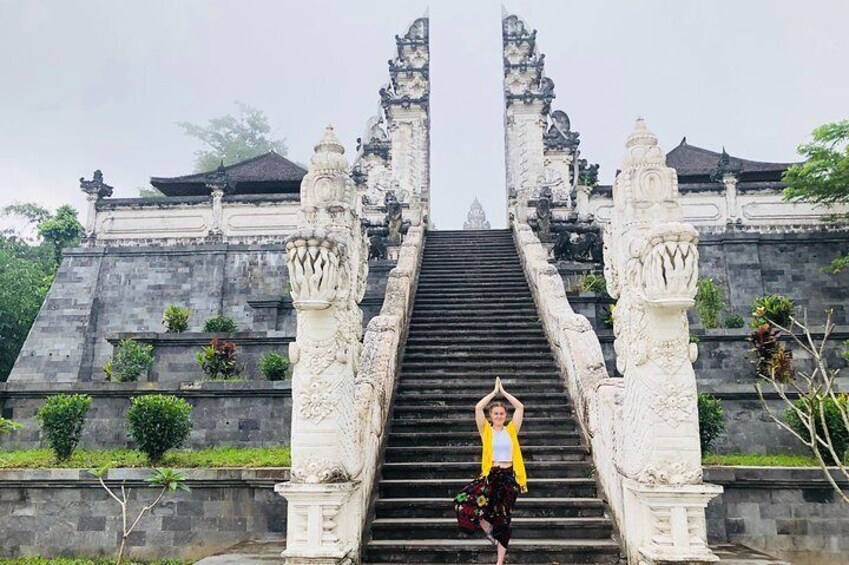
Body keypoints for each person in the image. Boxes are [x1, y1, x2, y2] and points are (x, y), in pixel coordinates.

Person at [454, 376, 527, 565]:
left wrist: (504, 393)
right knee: (463, 500)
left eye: (502, 413)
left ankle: (499, 562)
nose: (499, 416)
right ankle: (487, 529)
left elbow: (520, 408)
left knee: (504, 520)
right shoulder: (486, 431)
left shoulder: (511, 430)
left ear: (505, 415)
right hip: (490, 476)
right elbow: (478, 408)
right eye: (496, 413)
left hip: (509, 478)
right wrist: (493, 393)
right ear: (491, 416)